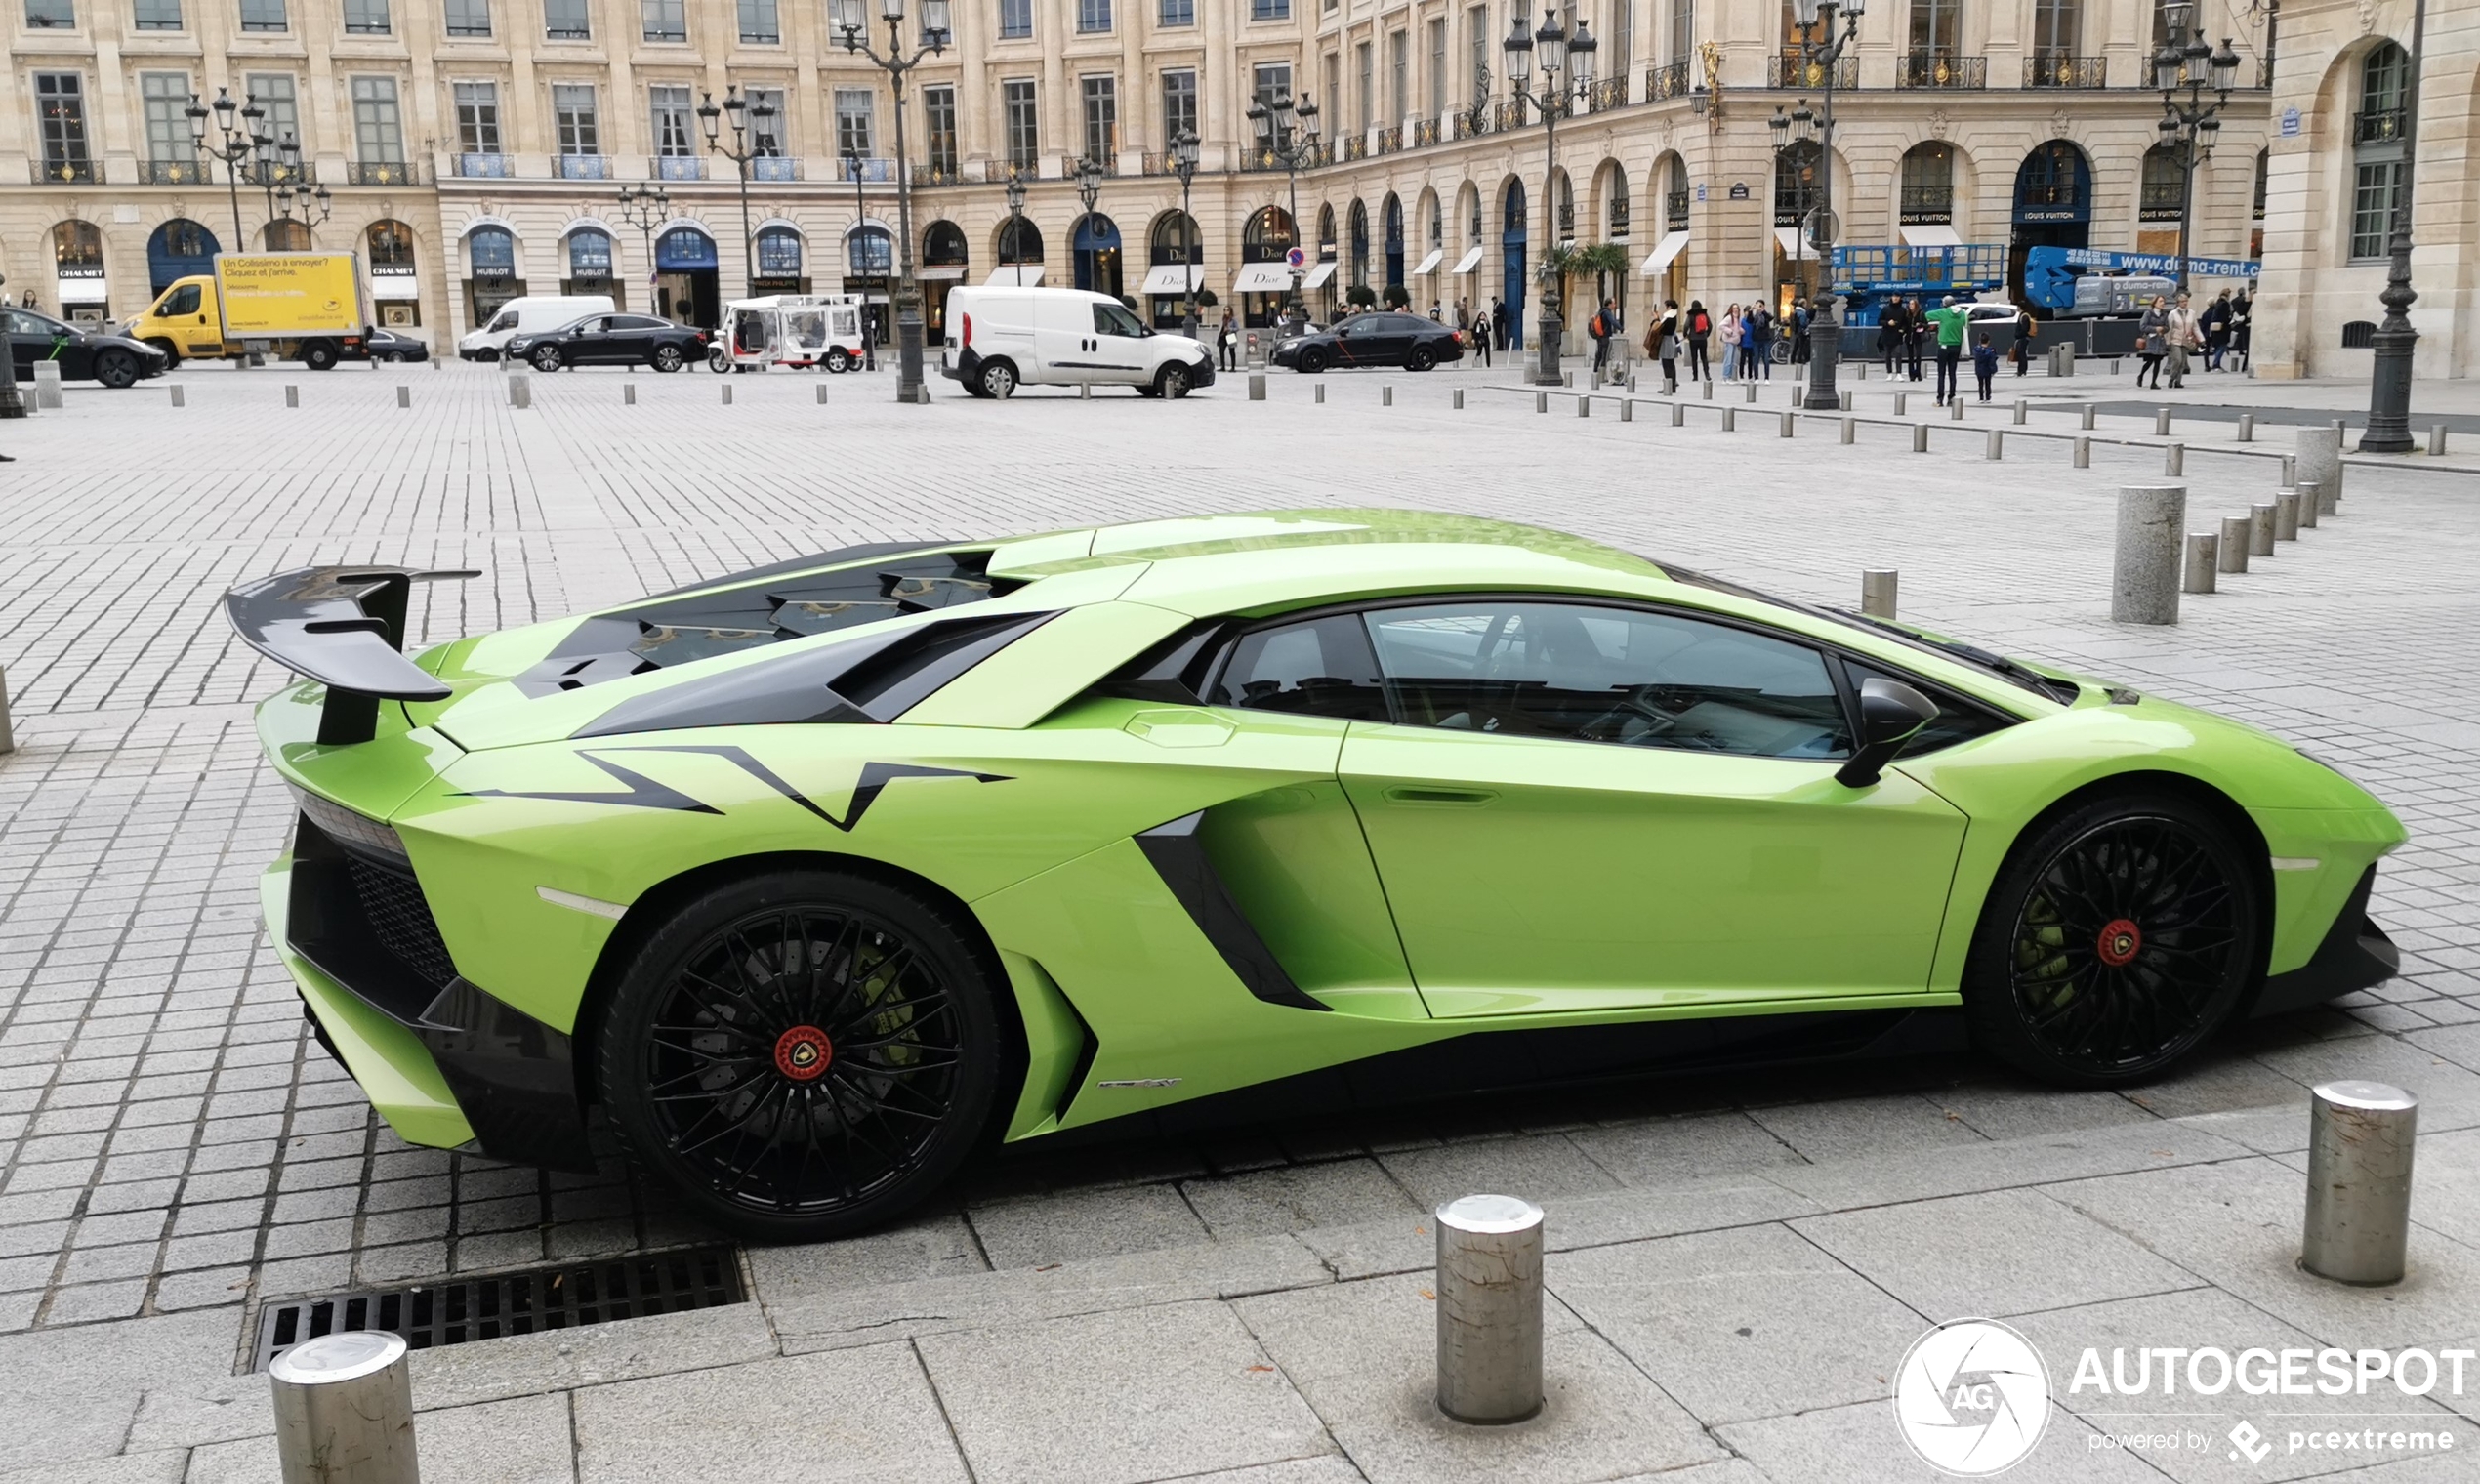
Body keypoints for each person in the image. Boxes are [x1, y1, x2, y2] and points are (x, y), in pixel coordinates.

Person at [1927, 295, 1967, 406]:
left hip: (1944, 345)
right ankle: (1951, 397)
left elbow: (1927, 315)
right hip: (1956, 346)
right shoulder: (1963, 313)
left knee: (1941, 373)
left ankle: (1940, 398)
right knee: (1952, 373)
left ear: (1945, 304)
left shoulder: (1943, 312)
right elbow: (1966, 327)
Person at [2165, 292, 2199, 389]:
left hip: (2186, 340)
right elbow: (2169, 328)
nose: (2185, 303)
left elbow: (2195, 327)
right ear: (2178, 302)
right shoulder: (2173, 314)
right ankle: (2172, 377)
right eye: (2183, 301)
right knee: (2178, 360)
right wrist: (2168, 340)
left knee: (2183, 362)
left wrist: (2201, 338)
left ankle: (2178, 381)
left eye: (2186, 301)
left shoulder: (2191, 313)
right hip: (2176, 340)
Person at [2135, 296, 2169, 389]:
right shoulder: (2148, 314)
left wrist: (2163, 329)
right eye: (2160, 301)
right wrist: (2154, 329)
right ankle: (2141, 375)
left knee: (2157, 362)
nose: (2162, 303)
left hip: (2160, 341)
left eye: (2163, 301)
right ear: (2155, 303)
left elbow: (2167, 327)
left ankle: (2153, 382)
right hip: (2150, 340)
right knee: (2149, 361)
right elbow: (2142, 326)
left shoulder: (2164, 315)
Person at [2202, 289, 2232, 371]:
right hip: (2223, 328)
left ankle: (2216, 365)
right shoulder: (2225, 304)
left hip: (2214, 330)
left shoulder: (2218, 303)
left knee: (2217, 347)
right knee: (2222, 346)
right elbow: (2225, 317)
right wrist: (2230, 320)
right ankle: (2215, 364)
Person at [1588, 297, 1617, 380]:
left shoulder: (1600, 312)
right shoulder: (1607, 313)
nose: (1615, 305)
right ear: (1610, 304)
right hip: (1605, 337)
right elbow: (1613, 322)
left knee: (1599, 355)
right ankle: (1602, 375)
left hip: (1600, 337)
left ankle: (1596, 372)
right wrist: (1622, 328)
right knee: (1605, 356)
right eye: (1613, 303)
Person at [1879, 298, 1909, 375]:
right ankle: (1889, 373)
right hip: (1887, 335)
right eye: (1894, 296)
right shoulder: (1885, 309)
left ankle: (1899, 373)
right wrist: (1887, 323)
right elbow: (1879, 321)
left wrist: (1903, 329)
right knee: (1888, 355)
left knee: (1898, 354)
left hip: (1897, 336)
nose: (1895, 298)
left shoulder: (1903, 310)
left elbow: (1905, 323)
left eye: (1897, 296)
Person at [1685, 299, 1712, 384]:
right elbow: (1710, 325)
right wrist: (1706, 334)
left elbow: (1686, 325)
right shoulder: (1704, 314)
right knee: (1704, 357)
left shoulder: (1691, 315)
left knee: (1694, 358)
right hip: (1703, 338)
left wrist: (1686, 334)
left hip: (1693, 339)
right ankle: (1707, 374)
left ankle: (1695, 376)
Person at [1904, 296, 1928, 381]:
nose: (1910, 305)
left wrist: (1920, 325)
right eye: (1909, 304)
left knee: (1918, 355)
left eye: (1912, 304)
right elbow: (1904, 325)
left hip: (1918, 336)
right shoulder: (1907, 314)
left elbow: (1926, 325)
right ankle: (1911, 374)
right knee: (1910, 356)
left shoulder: (1921, 313)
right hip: (1909, 337)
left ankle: (1918, 372)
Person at [1748, 303, 1773, 380]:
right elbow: (1749, 320)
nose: (1759, 307)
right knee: (1756, 359)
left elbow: (1770, 318)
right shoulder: (1754, 316)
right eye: (1758, 306)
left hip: (1765, 339)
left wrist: (1763, 311)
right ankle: (1756, 378)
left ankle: (1767, 378)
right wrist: (1750, 311)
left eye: (1761, 305)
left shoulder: (1766, 315)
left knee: (1766, 359)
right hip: (1756, 339)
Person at [2229, 289, 2253, 373]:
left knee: (2247, 347)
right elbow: (2246, 314)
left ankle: (2244, 366)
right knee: (2249, 348)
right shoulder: (2247, 303)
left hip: (2241, 325)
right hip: (2246, 326)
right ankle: (2245, 366)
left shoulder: (2235, 301)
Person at [1972, 332, 2000, 402]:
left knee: (1980, 384)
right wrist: (1994, 370)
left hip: (1979, 369)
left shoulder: (1976, 350)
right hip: (1988, 369)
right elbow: (1993, 360)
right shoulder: (1991, 350)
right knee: (1988, 383)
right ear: (1988, 341)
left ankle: (1981, 397)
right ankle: (1988, 397)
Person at [2011, 305, 2036, 376]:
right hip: (2023, 338)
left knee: (2022, 355)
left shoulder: (2024, 316)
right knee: (2021, 354)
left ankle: (2022, 371)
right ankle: (2021, 370)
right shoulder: (2024, 315)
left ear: (2020, 307)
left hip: (2023, 338)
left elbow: (2024, 329)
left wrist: (2018, 335)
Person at [1717, 304, 1740, 380]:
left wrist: (1741, 331)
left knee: (1733, 360)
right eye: (1734, 308)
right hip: (1729, 341)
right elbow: (1721, 326)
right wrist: (1730, 332)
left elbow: (1738, 328)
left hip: (1735, 341)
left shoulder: (1737, 318)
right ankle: (1726, 376)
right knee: (1728, 359)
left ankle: (1729, 376)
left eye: (1737, 308)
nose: (1736, 310)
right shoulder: (1729, 318)